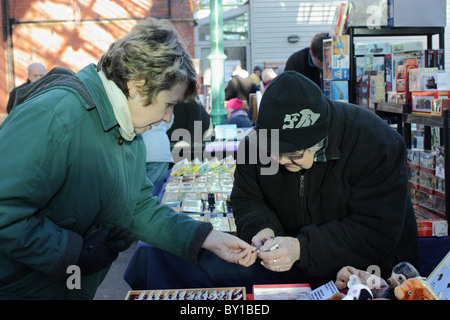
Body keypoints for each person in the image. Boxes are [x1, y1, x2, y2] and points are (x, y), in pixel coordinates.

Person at [0, 17, 257, 300]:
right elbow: (6, 210)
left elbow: (138, 206)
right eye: (168, 104)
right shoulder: (57, 115)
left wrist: (208, 238)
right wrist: (74, 252)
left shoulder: (125, 129)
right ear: (136, 85)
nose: (168, 118)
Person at [231, 71, 420, 288]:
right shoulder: (253, 147)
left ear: (320, 140)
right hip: (294, 279)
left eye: (295, 155)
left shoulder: (376, 143)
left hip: (373, 277)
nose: (281, 161)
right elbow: (247, 199)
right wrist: (262, 229)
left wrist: (303, 248)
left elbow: (377, 228)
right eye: (273, 151)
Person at [141, 117, 174, 197]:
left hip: (140, 148)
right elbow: (168, 122)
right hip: (159, 151)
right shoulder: (165, 108)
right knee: (153, 192)